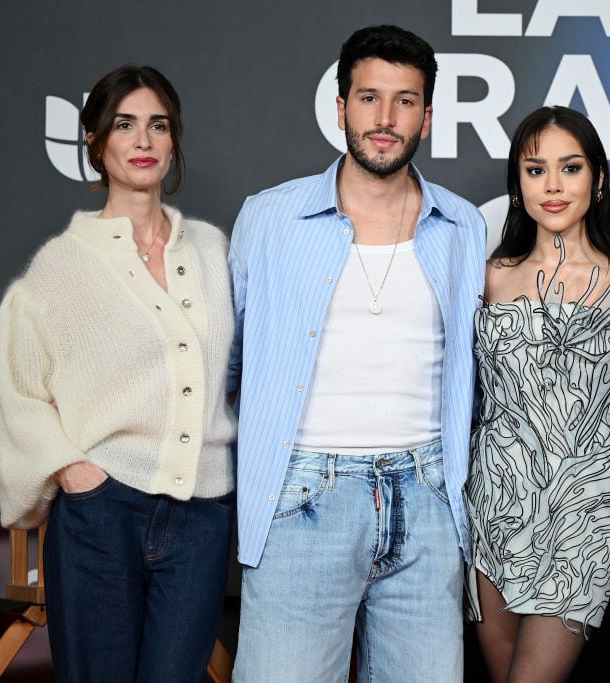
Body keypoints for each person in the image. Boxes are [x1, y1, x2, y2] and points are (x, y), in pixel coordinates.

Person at [227, 24, 486, 682]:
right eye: (369, 98)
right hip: (303, 495)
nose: (385, 118)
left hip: (427, 501)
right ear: (340, 108)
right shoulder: (270, 218)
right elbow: (224, 366)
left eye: (405, 101)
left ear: (427, 117)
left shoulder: (463, 225)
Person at [0, 65, 236, 681]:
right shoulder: (61, 265)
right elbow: (21, 393)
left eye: (158, 125)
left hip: (202, 516)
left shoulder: (212, 250)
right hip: (102, 510)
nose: (144, 141)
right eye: (124, 125)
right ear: (98, 144)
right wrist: (78, 476)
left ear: (175, 139)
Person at [464, 105, 610, 682]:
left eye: (570, 168)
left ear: (597, 180)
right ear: (517, 184)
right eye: (534, 169)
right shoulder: (489, 275)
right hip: (494, 511)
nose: (552, 185)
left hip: (584, 516)